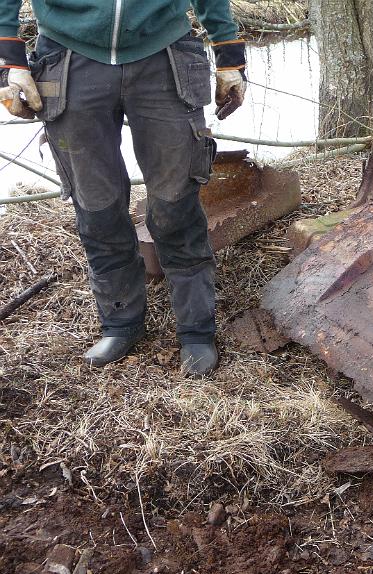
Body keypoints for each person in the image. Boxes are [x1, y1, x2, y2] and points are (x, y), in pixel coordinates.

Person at [0, 1, 247, 376]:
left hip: (164, 54)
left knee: (175, 201)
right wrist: (10, 63)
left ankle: (197, 329)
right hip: (69, 58)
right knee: (97, 204)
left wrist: (230, 57)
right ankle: (120, 321)